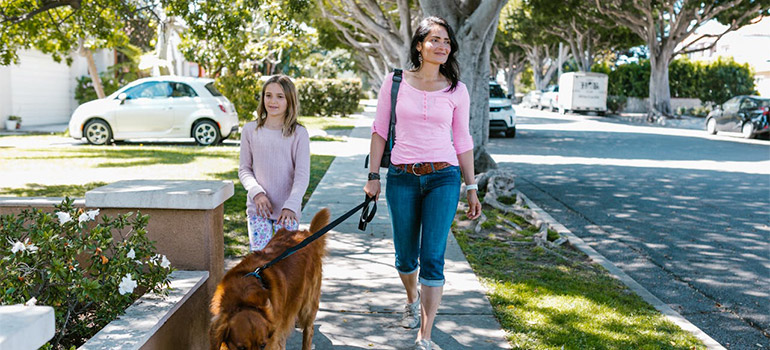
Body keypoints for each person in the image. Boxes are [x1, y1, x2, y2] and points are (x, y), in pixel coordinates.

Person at [363, 16, 482, 350]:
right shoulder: (395, 81)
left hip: (444, 177)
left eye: (446, 41)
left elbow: (462, 139)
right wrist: (373, 176)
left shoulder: (457, 89)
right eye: (435, 40)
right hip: (402, 177)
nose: (442, 46)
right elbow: (379, 130)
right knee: (405, 257)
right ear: (419, 45)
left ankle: (425, 335)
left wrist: (471, 187)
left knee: (433, 256)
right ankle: (411, 297)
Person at [239, 75, 310, 252]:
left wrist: (291, 205)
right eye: (268, 95)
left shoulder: (299, 134)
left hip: (287, 213)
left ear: (289, 100)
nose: (273, 101)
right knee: (260, 264)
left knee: (284, 266)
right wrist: (257, 194)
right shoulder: (250, 130)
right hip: (258, 210)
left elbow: (301, 176)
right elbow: (244, 169)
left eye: (280, 96)